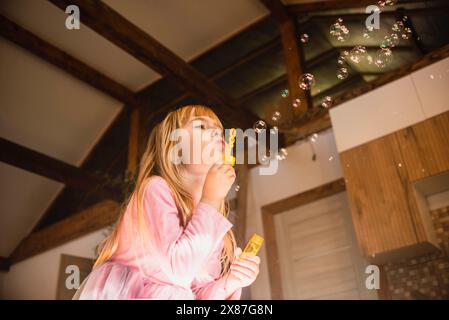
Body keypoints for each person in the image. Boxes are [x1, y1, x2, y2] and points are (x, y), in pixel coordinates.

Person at [72, 105, 260, 299]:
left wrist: (231, 281)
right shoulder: (155, 189)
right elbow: (178, 271)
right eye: (201, 127)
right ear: (175, 148)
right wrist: (212, 198)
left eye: (219, 130)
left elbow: (196, 295)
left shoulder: (209, 220)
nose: (216, 132)